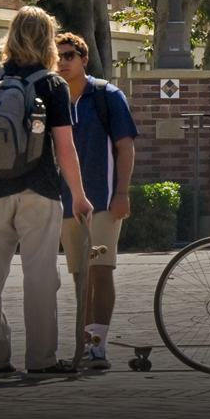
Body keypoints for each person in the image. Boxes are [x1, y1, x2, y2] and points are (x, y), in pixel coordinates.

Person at [0, 6, 94, 379]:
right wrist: (79, 194)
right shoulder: (52, 84)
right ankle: (41, 358)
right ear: (47, 39)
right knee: (40, 274)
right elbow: (64, 147)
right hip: (38, 188)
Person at [54, 33, 139, 370]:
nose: (63, 61)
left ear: (84, 58)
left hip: (103, 201)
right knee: (79, 275)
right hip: (64, 203)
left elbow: (126, 147)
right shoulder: (52, 99)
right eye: (58, 56)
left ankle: (98, 346)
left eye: (70, 55)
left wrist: (122, 193)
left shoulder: (107, 95)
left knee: (101, 273)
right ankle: (84, 344)